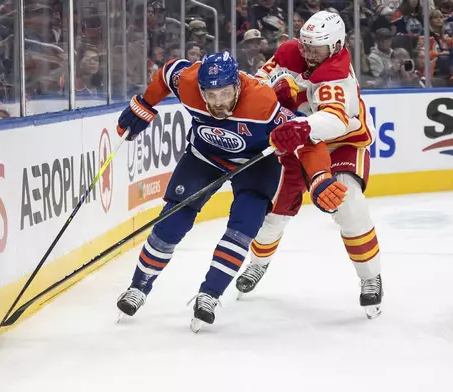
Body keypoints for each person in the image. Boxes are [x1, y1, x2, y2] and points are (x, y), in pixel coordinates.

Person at [115, 51, 298, 332]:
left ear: (237, 85)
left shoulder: (263, 102)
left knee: (243, 227)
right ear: (200, 88)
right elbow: (167, 72)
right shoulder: (187, 81)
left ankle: (209, 295)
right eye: (209, 95)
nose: (217, 102)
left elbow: (299, 133)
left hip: (255, 163)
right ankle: (138, 287)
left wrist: (316, 169)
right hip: (205, 156)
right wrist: (145, 104)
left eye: (224, 93)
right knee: (172, 222)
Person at [241, 10, 383, 319]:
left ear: (334, 46)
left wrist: (303, 126)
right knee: (275, 209)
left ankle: (370, 277)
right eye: (304, 44)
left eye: (315, 48)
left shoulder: (336, 76)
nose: (307, 52)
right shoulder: (294, 52)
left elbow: (333, 119)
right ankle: (257, 264)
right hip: (301, 144)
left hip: (342, 143)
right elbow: (263, 77)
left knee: (349, 202)